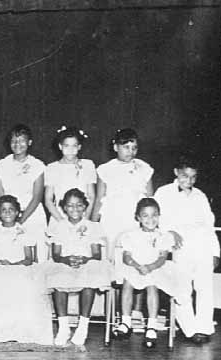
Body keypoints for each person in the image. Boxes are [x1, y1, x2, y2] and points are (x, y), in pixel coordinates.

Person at [113, 198, 197, 348]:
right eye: (145, 215)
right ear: (138, 217)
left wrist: (150, 267)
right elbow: (126, 257)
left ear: (159, 216)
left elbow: (162, 258)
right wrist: (138, 266)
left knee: (152, 285)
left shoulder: (162, 236)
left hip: (155, 268)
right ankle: (126, 321)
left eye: (154, 215)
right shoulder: (131, 235)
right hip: (135, 266)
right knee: (128, 282)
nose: (150, 219)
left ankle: (152, 325)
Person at [154, 156, 219, 343]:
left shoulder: (200, 196)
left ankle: (204, 328)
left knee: (204, 287)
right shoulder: (163, 193)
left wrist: (215, 252)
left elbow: (209, 225)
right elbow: (156, 219)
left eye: (193, 177)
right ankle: (189, 329)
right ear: (176, 172)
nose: (188, 181)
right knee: (182, 288)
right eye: (184, 176)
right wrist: (170, 231)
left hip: (203, 247)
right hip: (180, 247)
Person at [0, 195, 53, 345]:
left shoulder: (24, 232)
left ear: (18, 212)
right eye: (3, 210)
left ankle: (24, 331)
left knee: (24, 282)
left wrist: (17, 263)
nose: (8, 213)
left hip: (21, 267)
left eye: (11, 210)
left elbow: (29, 258)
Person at [44, 188, 112, 346]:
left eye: (79, 205)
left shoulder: (93, 226)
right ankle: (63, 327)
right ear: (64, 208)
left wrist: (84, 259)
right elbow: (55, 254)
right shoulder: (59, 226)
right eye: (70, 206)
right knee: (58, 279)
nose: (75, 209)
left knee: (90, 280)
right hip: (64, 262)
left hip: (87, 262)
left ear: (85, 207)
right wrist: (66, 259)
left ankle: (83, 327)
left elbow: (97, 254)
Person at [92, 129, 154, 260]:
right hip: (112, 216)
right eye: (126, 147)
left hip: (135, 217)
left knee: (133, 251)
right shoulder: (105, 169)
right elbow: (99, 199)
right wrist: (92, 224)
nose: (130, 151)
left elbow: (150, 198)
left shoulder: (144, 168)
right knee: (111, 252)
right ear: (115, 147)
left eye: (134, 148)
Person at [0, 124, 46, 257]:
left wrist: (21, 219)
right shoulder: (1, 165)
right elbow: (0, 197)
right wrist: (9, 219)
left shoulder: (37, 165)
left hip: (32, 215)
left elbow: (37, 197)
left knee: (38, 254)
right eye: (14, 141)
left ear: (29, 142)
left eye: (22, 140)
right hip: (7, 215)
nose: (18, 144)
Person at [44, 126, 96, 226]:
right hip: (59, 219)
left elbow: (92, 196)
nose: (70, 150)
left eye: (74, 146)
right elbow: (48, 199)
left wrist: (84, 221)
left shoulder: (88, 165)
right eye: (66, 146)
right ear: (60, 146)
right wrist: (63, 223)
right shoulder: (52, 168)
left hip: (82, 219)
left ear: (79, 147)